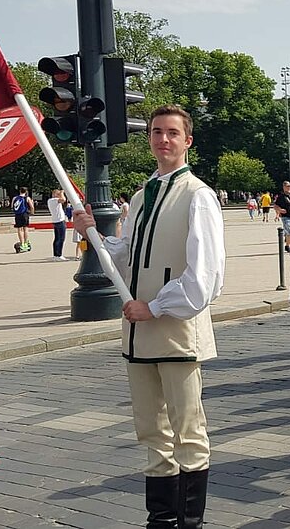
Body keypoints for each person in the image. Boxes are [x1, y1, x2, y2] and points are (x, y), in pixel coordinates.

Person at [73, 105, 225, 529]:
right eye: (157, 132)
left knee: (188, 430)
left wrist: (156, 306)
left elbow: (205, 276)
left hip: (176, 332)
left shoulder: (198, 195)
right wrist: (93, 236)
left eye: (173, 133)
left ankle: (190, 521)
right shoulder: (141, 197)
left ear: (187, 141)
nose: (163, 140)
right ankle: (160, 519)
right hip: (138, 335)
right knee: (151, 431)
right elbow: (125, 257)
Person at [47, 189, 68, 262]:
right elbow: (63, 200)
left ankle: (56, 254)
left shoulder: (50, 201)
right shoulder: (54, 200)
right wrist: (62, 192)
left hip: (56, 221)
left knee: (57, 238)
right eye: (58, 194)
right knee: (61, 238)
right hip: (60, 221)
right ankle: (59, 254)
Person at [11, 186, 34, 252]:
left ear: (20, 191)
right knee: (25, 228)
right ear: (26, 191)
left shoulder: (15, 198)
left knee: (19, 229)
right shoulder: (27, 198)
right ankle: (26, 243)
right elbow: (31, 207)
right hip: (25, 214)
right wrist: (32, 212)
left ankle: (22, 243)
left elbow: (12, 206)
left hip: (18, 215)